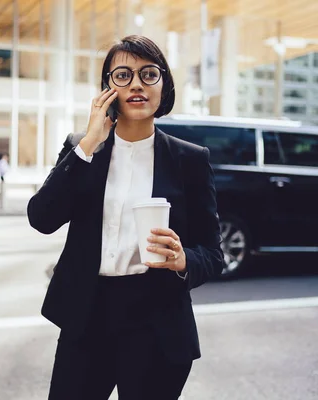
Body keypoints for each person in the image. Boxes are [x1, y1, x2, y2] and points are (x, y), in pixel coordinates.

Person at [27, 35, 225, 400]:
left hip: (157, 321)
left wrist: (183, 260)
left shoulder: (190, 159)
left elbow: (213, 254)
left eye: (149, 74)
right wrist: (88, 143)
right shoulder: (82, 148)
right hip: (87, 316)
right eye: (123, 75)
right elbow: (42, 218)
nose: (136, 84)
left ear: (163, 85)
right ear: (107, 89)